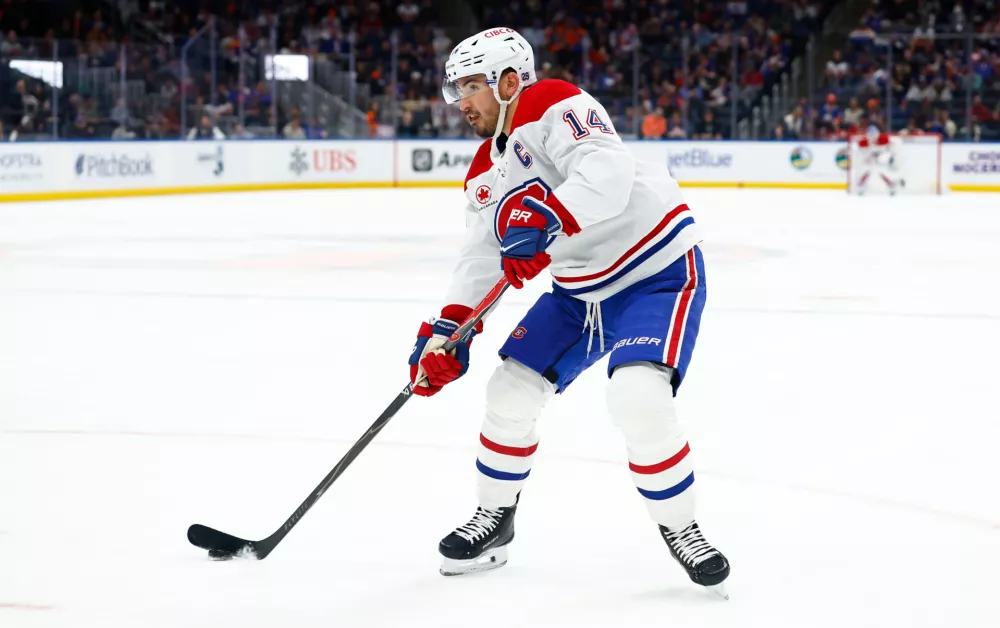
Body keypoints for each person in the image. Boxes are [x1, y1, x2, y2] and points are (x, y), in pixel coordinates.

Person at [408, 27, 730, 597]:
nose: (461, 102)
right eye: (455, 89)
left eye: (471, 87)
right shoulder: (484, 169)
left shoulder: (551, 100)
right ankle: (495, 520)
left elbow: (607, 172)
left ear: (510, 82)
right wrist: (448, 333)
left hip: (656, 271)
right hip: (580, 292)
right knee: (508, 393)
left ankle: (684, 528)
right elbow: (481, 255)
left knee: (637, 396)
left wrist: (547, 219)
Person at [853, 127, 904, 195]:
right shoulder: (863, 141)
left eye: (874, 137)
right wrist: (866, 157)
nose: (873, 140)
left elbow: (892, 146)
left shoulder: (884, 138)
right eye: (871, 138)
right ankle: (861, 185)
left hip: (883, 158)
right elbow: (856, 149)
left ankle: (892, 183)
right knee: (869, 170)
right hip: (871, 159)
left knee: (882, 170)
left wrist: (890, 155)